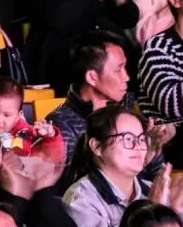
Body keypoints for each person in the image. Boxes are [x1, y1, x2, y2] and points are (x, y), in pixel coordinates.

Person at [48, 31, 132, 186]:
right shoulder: (61, 125)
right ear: (92, 77)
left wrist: (153, 150)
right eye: (118, 70)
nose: (126, 77)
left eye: (125, 68)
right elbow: (69, 187)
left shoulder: (124, 111)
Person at [0, 76, 62, 162]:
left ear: (18, 116)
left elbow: (52, 158)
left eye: (7, 115)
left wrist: (50, 136)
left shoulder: (26, 134)